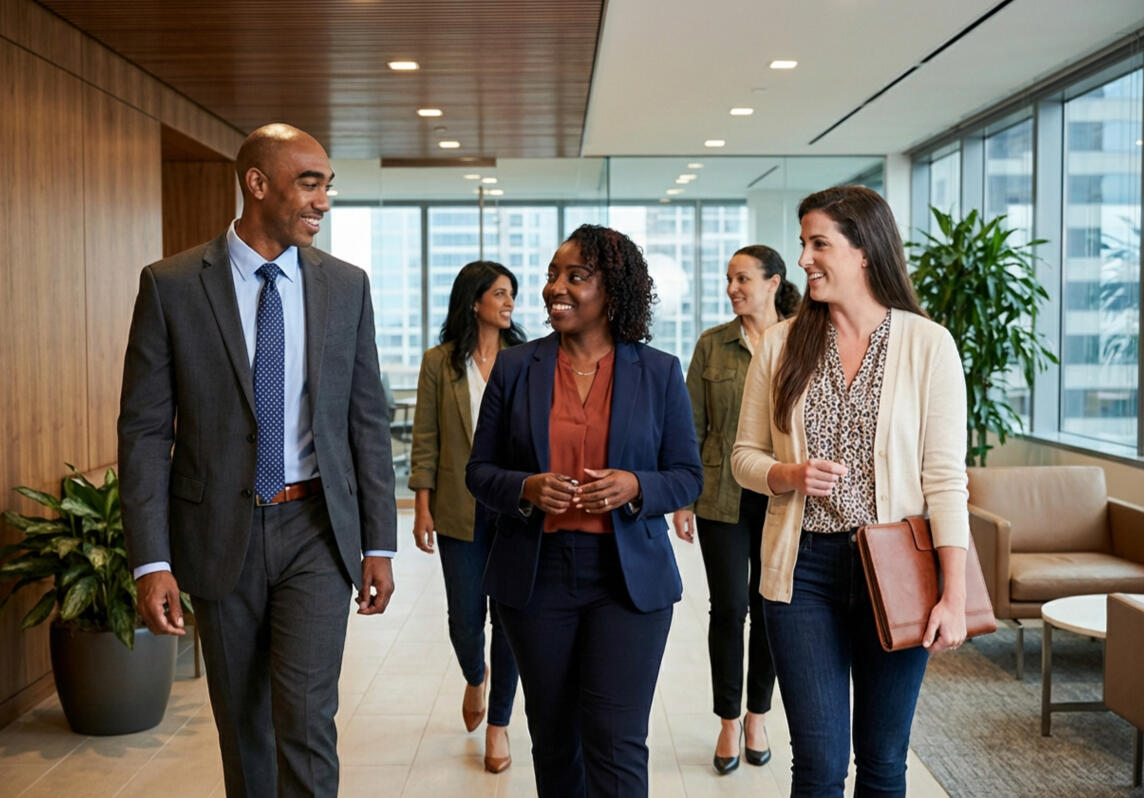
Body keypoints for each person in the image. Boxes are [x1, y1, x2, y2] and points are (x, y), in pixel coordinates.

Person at [118, 123, 397, 797]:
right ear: (257, 183)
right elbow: (147, 431)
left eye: (328, 185)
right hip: (220, 533)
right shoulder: (174, 285)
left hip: (314, 529)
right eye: (309, 183)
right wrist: (151, 560)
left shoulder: (346, 286)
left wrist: (379, 543)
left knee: (304, 719)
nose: (322, 201)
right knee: (243, 725)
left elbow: (365, 419)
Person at [730, 185, 968, 797]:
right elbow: (743, 458)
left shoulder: (927, 344)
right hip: (802, 569)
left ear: (864, 251)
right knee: (818, 763)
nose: (804, 259)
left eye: (819, 243)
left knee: (885, 762)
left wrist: (955, 595)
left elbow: (945, 481)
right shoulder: (782, 343)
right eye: (803, 243)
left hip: (897, 569)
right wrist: (788, 475)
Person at [466, 224, 703, 798]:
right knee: (553, 737)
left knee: (616, 739)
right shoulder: (517, 367)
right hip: (537, 575)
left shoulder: (660, 371)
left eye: (576, 277)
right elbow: (479, 472)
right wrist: (526, 486)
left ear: (613, 291)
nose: (555, 288)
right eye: (551, 275)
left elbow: (687, 476)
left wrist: (634, 486)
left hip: (627, 582)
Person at [672, 244, 800, 775]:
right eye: (729, 279)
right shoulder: (712, 345)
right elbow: (690, 428)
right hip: (721, 498)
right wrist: (682, 497)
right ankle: (727, 719)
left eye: (743, 278)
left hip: (781, 497)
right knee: (728, 610)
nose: (733, 288)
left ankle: (757, 715)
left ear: (774, 283)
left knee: (769, 607)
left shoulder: (802, 341)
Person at [409, 260, 525, 773]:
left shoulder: (525, 359)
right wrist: (421, 506)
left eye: (511, 295)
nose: (508, 303)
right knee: (464, 619)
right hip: (459, 511)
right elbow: (426, 436)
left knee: (510, 621)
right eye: (499, 293)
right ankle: (475, 676)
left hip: (515, 510)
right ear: (474, 300)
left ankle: (498, 725)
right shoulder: (440, 362)